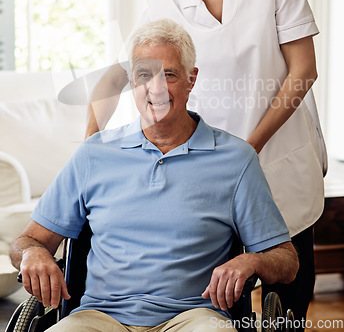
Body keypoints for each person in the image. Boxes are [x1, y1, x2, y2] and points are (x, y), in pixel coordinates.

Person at [84, 0, 326, 329]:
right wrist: (89, 149)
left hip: (281, 160)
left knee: (291, 299)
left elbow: (303, 70)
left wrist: (250, 149)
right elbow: (119, 75)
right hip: (211, 173)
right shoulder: (164, 1)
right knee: (224, 298)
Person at [11, 20, 298, 332]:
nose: (156, 88)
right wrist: (33, 253)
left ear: (192, 79)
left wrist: (253, 261)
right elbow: (27, 240)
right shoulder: (93, 154)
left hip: (194, 317)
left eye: (169, 74)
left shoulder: (236, 159)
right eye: (144, 75)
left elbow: (286, 260)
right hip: (99, 317)